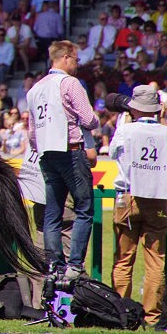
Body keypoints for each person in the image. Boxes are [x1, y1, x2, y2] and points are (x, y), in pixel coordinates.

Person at [27, 40, 99, 281]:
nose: (77, 64)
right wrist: (96, 121)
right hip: (70, 150)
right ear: (66, 57)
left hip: (46, 152)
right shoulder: (70, 83)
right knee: (84, 209)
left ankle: (54, 264)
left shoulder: (35, 88)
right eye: (76, 59)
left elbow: (32, 134)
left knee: (52, 212)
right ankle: (75, 264)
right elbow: (88, 119)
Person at [109, 85, 167, 325]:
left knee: (124, 258)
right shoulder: (165, 132)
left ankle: (121, 312)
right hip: (159, 198)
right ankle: (153, 315)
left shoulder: (126, 129)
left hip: (129, 196)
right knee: (156, 260)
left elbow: (112, 153)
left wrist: (123, 122)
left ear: (134, 108)